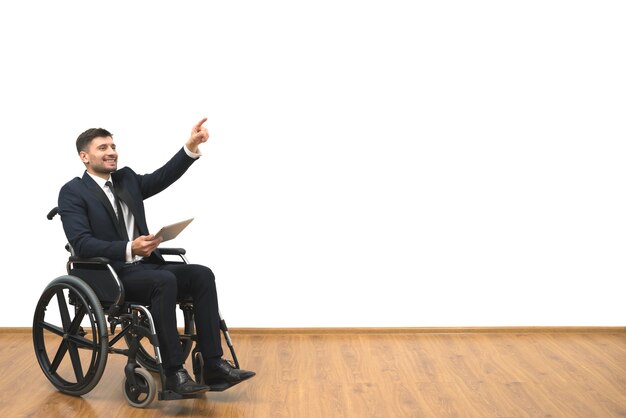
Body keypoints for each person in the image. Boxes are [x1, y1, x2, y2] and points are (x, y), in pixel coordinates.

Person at [58, 118, 255, 395]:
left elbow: (163, 177)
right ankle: (174, 372)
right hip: (109, 274)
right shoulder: (73, 192)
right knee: (163, 281)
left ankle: (213, 364)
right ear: (85, 156)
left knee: (201, 274)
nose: (112, 151)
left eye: (113, 145)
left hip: (144, 266)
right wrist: (129, 248)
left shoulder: (125, 179)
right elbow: (82, 243)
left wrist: (190, 146)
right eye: (103, 147)